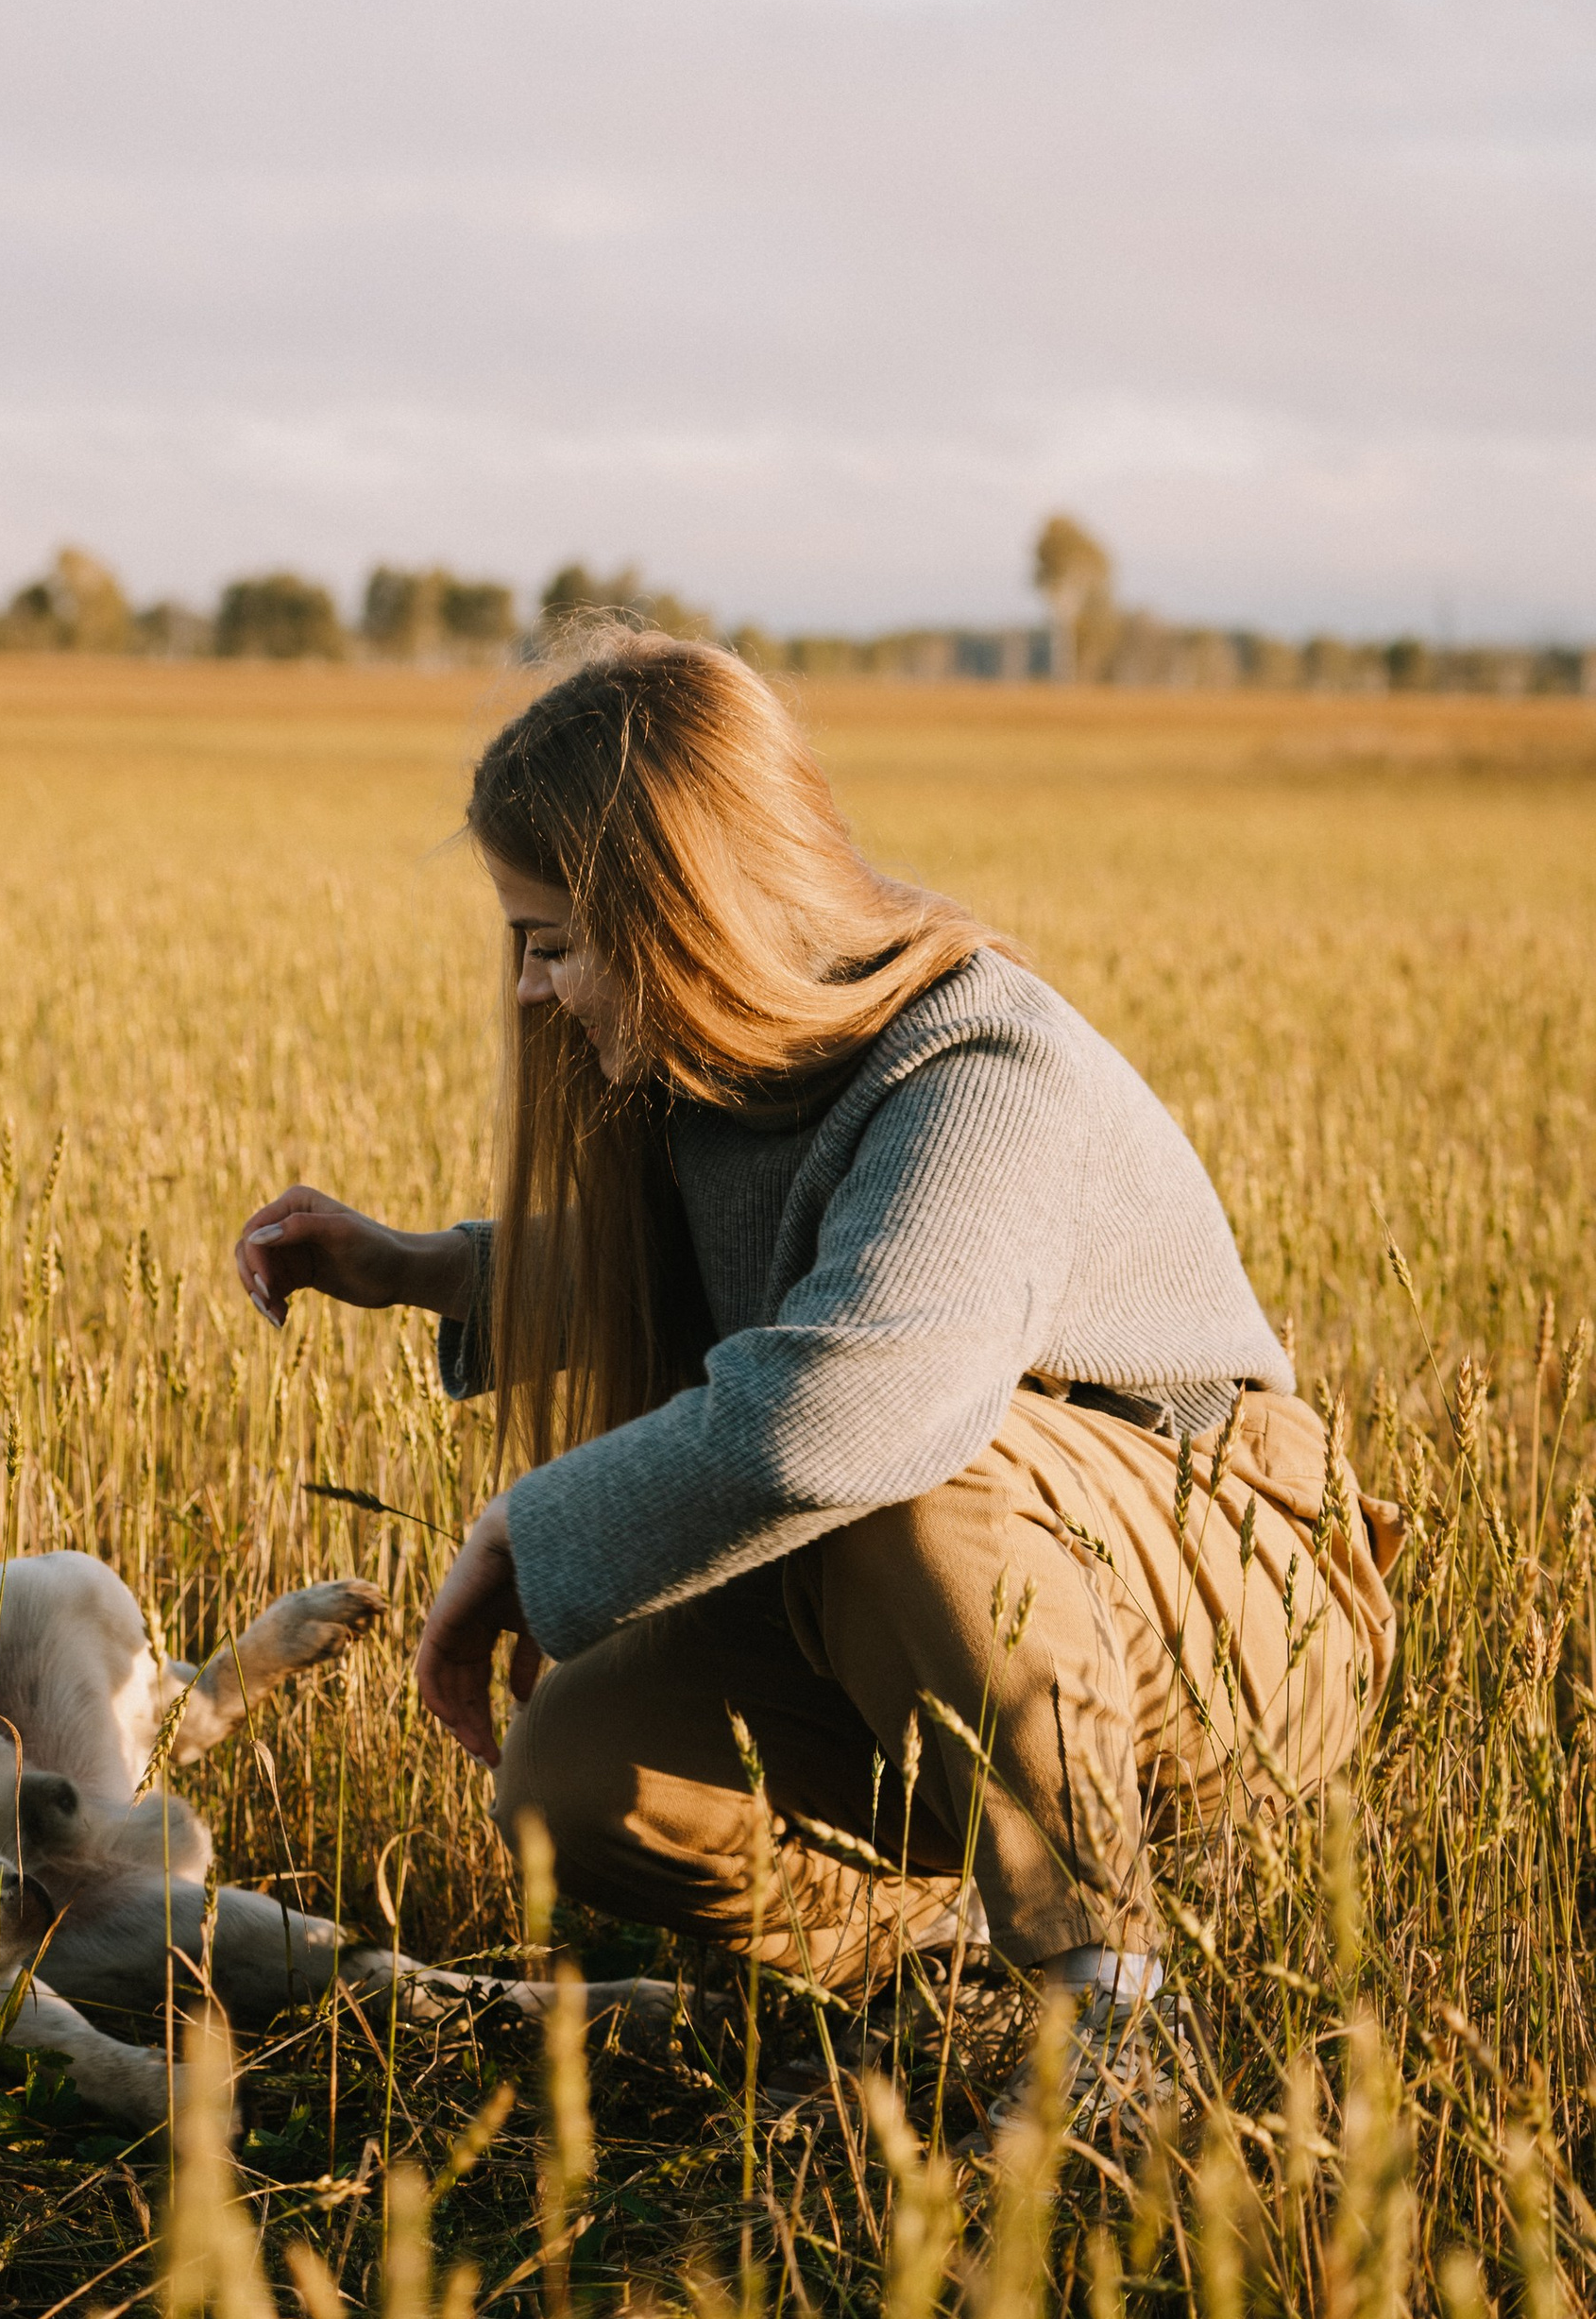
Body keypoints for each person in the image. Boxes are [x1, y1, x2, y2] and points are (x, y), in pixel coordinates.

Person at [233, 627, 1399, 2121]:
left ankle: (1114, 2017)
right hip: (968, 1604)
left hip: (1246, 1609)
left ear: (685, 916)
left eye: (553, 942)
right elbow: (693, 1263)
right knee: (573, 1774)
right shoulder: (723, 1076)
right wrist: (418, 1268)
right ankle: (963, 1929)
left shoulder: (980, 1071)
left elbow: (855, 1405)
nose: (529, 990)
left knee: (912, 1458)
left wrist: (536, 1526)